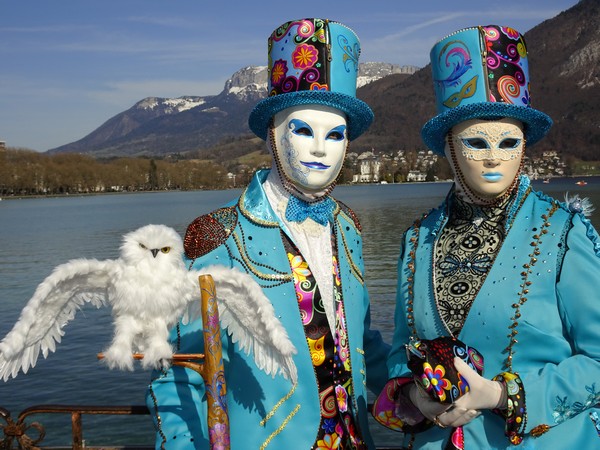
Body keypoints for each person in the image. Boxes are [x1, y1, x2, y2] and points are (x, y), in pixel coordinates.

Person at [146, 18, 390, 450]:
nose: (320, 148)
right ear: (273, 133)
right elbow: (176, 372)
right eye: (303, 130)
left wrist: (410, 389)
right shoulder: (218, 238)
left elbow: (362, 340)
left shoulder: (347, 228)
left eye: (336, 135)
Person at [372, 25, 600, 449]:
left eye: (510, 141)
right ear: (449, 146)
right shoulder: (418, 240)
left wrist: (503, 395)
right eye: (477, 142)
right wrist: (415, 393)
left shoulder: (565, 234)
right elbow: (402, 353)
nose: (495, 156)